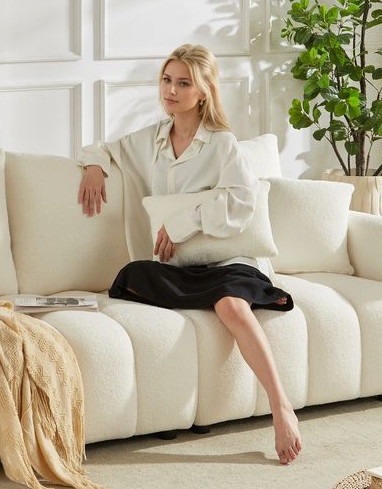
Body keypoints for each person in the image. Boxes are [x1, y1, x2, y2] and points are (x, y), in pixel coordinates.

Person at [77, 43, 303, 465]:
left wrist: (184, 223)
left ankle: (280, 406)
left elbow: (241, 204)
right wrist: (94, 167)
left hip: (228, 263)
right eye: (167, 80)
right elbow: (101, 148)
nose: (172, 90)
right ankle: (196, 296)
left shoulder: (222, 144)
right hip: (181, 269)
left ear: (203, 92)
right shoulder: (152, 139)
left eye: (184, 83)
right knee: (132, 276)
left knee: (232, 308)